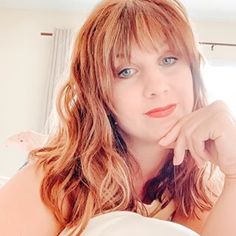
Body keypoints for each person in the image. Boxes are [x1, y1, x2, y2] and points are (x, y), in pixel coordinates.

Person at [0, 0, 236, 235]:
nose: (157, 87)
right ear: (97, 92)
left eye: (169, 60)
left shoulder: (206, 192)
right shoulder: (52, 184)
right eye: (126, 71)